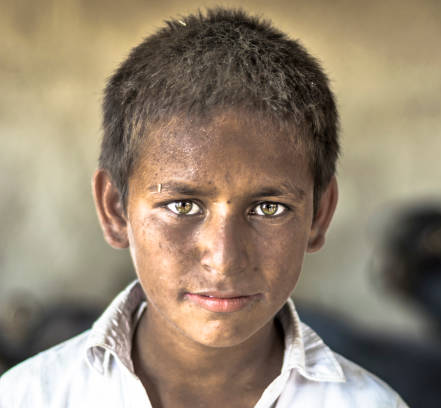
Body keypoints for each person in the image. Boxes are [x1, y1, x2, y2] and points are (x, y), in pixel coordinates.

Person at [0, 8, 408, 408]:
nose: (224, 258)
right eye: (181, 205)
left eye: (268, 208)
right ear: (115, 209)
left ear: (319, 214)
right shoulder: (30, 397)